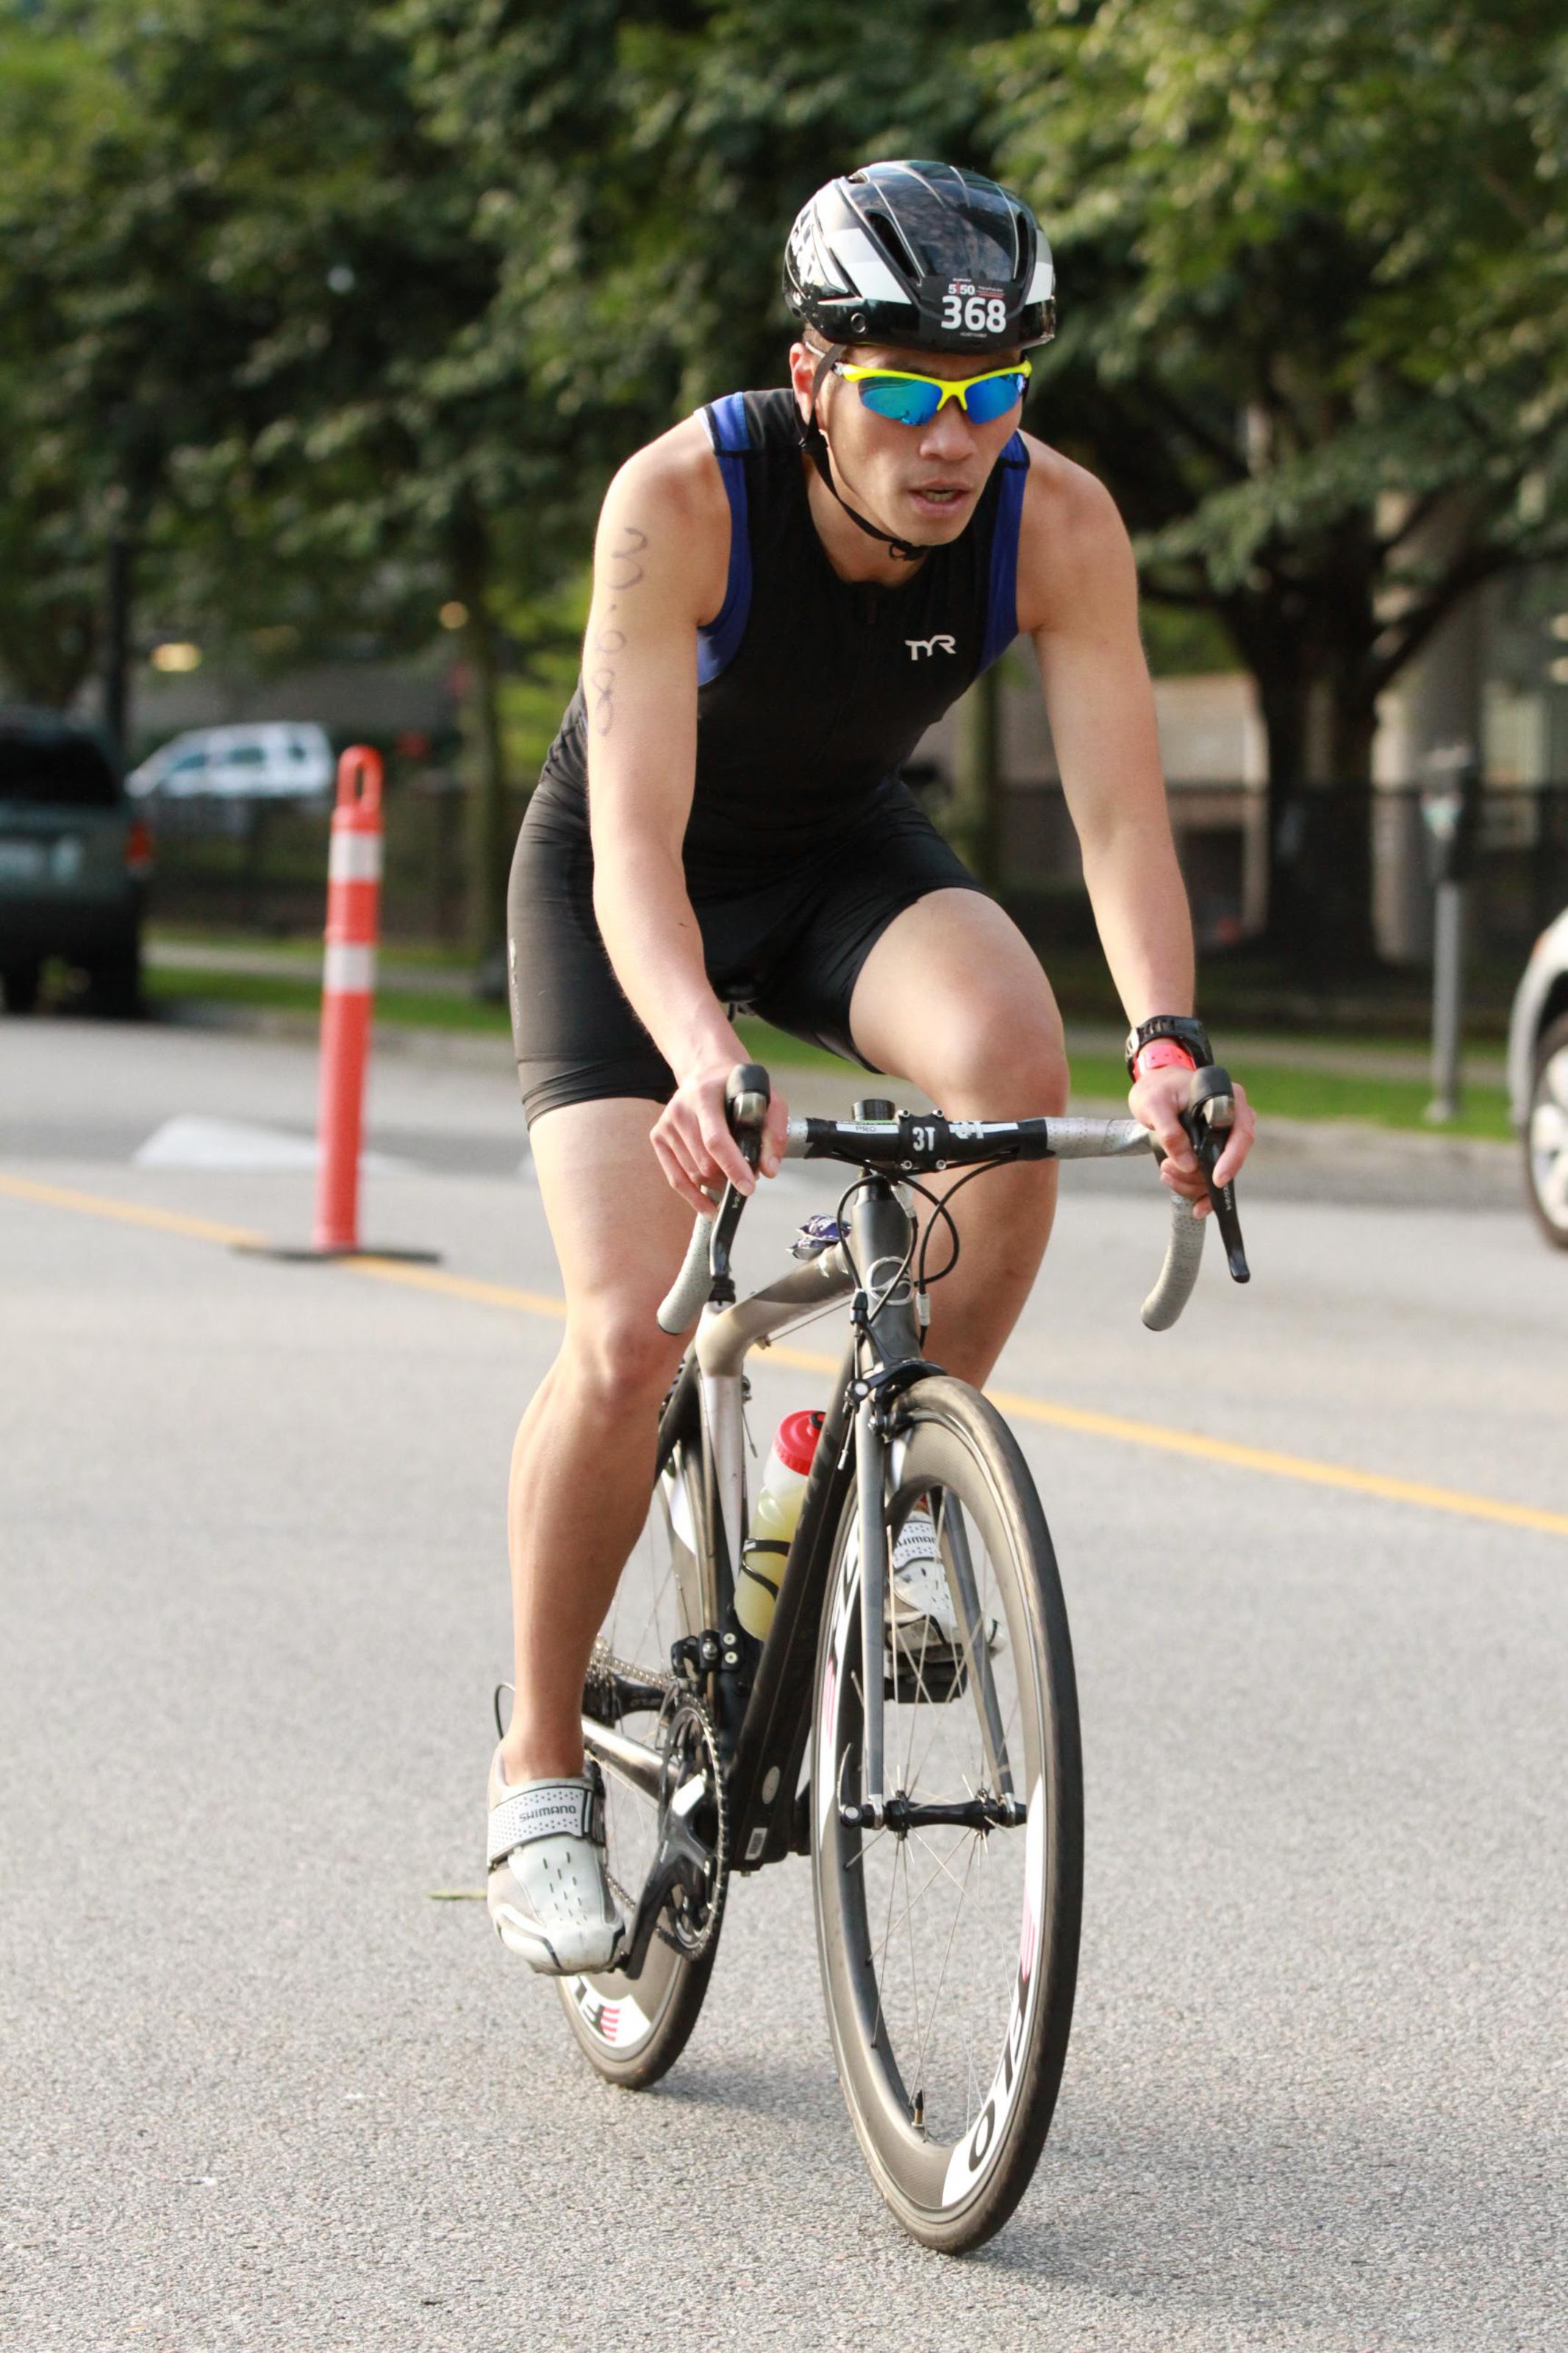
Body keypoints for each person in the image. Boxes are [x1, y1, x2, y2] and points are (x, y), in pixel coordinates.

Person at [486, 159, 1256, 1972]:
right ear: (812, 374)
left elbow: (1117, 819)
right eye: (905, 392)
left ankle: (871, 1480)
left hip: (839, 854)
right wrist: (697, 1052)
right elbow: (631, 851)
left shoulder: (1056, 521)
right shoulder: (680, 500)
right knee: (631, 1330)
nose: (950, 441)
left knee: (1009, 1068)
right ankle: (534, 1770)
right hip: (635, 884)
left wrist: (1165, 1040)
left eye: (990, 394)